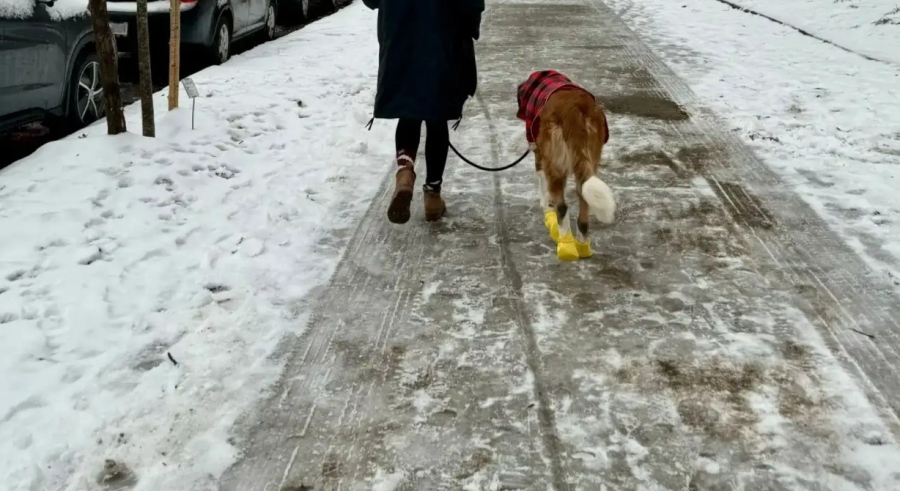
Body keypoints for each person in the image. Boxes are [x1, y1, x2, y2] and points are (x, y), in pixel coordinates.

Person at [362, 0, 485, 223]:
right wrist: (468, 29)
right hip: (443, 39)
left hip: (400, 39)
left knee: (409, 111)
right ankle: (432, 195)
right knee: (436, 115)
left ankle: (405, 172)